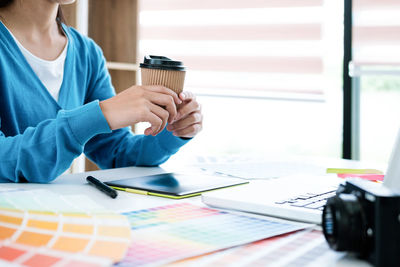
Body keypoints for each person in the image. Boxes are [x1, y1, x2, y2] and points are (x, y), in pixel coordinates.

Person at [0, 0, 203, 183]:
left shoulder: (86, 53)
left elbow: (117, 154)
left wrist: (175, 130)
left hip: (48, 216)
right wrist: (102, 114)